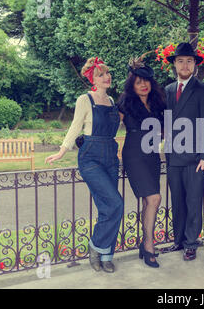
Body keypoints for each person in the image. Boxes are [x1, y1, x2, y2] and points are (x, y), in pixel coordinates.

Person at [45, 57, 124, 273]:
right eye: (101, 74)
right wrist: (62, 150)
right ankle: (96, 246)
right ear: (93, 79)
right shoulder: (85, 100)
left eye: (107, 73)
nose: (106, 77)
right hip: (90, 158)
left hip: (110, 157)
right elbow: (75, 126)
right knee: (116, 203)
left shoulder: (112, 101)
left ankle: (106, 255)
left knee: (108, 208)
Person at [160, 42, 204, 261]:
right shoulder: (167, 90)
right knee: (177, 200)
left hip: (196, 158)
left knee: (193, 200)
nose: (185, 65)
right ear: (174, 64)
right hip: (174, 156)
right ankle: (178, 241)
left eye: (189, 61)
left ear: (195, 64)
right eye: (181, 61)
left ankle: (191, 242)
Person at [117, 55, 166, 268]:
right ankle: (149, 245)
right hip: (134, 154)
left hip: (152, 155)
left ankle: (144, 243)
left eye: (146, 81)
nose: (143, 85)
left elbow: (165, 131)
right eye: (138, 82)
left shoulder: (158, 104)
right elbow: (108, 126)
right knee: (155, 198)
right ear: (132, 84)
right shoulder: (124, 103)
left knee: (149, 201)